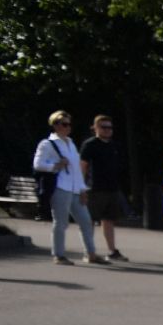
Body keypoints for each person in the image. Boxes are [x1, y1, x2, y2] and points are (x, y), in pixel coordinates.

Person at [35, 111, 104, 266]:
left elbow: (76, 169)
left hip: (74, 189)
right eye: (64, 124)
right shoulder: (47, 144)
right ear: (55, 125)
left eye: (69, 124)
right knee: (61, 222)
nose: (68, 127)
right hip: (60, 187)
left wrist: (82, 189)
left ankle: (90, 253)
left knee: (86, 221)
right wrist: (56, 166)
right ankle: (58, 255)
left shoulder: (71, 143)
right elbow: (37, 164)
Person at [80, 115, 130, 262]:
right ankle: (88, 251)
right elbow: (82, 166)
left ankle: (112, 251)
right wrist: (81, 187)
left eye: (110, 127)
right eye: (104, 127)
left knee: (109, 220)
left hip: (112, 189)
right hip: (94, 188)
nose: (107, 130)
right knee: (89, 220)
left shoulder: (114, 145)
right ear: (95, 128)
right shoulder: (90, 145)